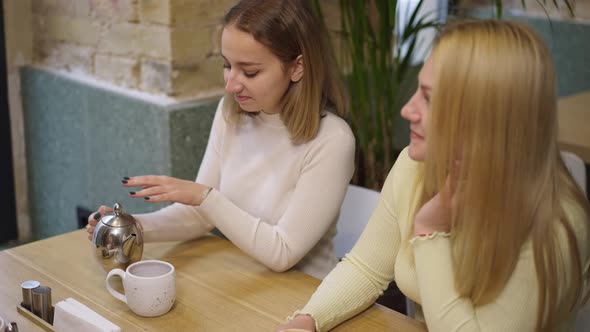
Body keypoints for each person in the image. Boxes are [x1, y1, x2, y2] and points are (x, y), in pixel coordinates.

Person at [278, 19, 590, 332]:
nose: (407, 110)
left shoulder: (556, 226)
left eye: (428, 98)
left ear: (483, 115)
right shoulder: (417, 166)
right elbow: (366, 269)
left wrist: (429, 231)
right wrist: (308, 320)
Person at [85, 0, 355, 280]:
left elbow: (282, 252)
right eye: (228, 66)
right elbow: (199, 215)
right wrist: (129, 228)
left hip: (306, 297)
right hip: (243, 279)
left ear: (297, 67)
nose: (231, 85)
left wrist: (204, 197)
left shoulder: (332, 140)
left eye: (249, 72)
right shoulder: (232, 113)